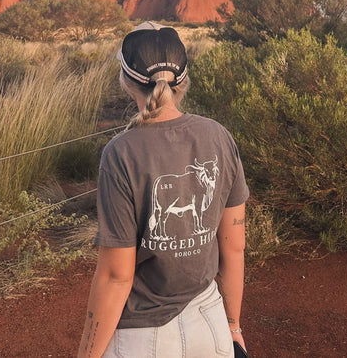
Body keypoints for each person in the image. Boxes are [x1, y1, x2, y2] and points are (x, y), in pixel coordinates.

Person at [77, 22, 249, 358]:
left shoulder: (120, 152)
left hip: (142, 338)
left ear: (127, 82)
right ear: (182, 81)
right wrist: (233, 327)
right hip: (210, 325)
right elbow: (234, 248)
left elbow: (116, 276)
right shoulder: (219, 136)